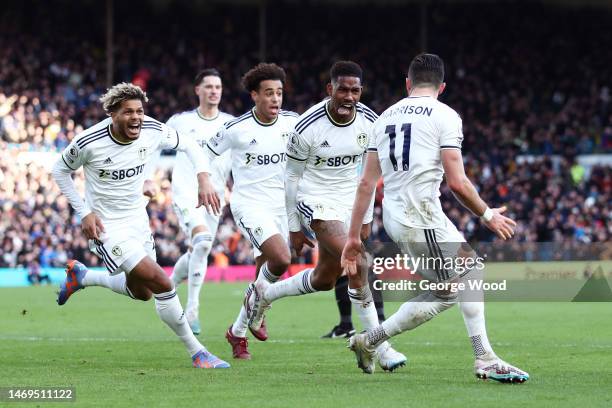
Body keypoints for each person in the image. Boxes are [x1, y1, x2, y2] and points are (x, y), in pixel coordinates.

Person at [341, 53, 529, 382]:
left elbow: (366, 184)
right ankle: (479, 357)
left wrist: (354, 238)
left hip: (399, 217)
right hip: (421, 217)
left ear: (408, 83)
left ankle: (371, 342)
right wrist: (487, 214)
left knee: (468, 274)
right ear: (441, 87)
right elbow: (457, 181)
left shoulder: (382, 118)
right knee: (452, 288)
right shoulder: (445, 116)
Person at [51, 82, 229, 369]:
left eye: (140, 111)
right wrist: (84, 212)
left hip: (137, 220)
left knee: (143, 292)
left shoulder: (152, 130)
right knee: (161, 282)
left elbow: (190, 145)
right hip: (107, 227)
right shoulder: (89, 141)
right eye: (128, 112)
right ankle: (198, 352)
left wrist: (204, 178)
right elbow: (59, 170)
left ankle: (83, 278)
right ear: (112, 114)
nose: (136, 118)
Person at [244, 61, 406, 370]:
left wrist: (367, 219)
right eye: (342, 89)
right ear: (329, 89)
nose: (349, 96)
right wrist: (293, 227)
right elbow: (290, 179)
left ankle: (264, 294)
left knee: (324, 279)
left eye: (355, 90)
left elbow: (370, 174)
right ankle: (379, 345)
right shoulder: (307, 126)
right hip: (314, 200)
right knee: (359, 262)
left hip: (348, 202)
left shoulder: (371, 122)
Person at [205, 63, 298, 359]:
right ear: (254, 95)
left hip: (282, 205)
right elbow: (204, 154)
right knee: (281, 259)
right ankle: (259, 309)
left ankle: (238, 332)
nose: (275, 99)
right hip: (250, 204)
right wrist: (204, 181)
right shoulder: (236, 128)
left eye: (279, 93)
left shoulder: (293, 123)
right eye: (268, 93)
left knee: (264, 275)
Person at [153, 68, 234, 336]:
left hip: (215, 195)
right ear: (197, 90)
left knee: (201, 248)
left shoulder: (230, 124)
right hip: (186, 192)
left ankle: (170, 282)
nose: (214, 91)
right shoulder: (181, 121)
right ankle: (192, 309)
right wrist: (148, 178)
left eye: (218, 87)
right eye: (209, 86)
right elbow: (153, 145)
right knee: (201, 242)